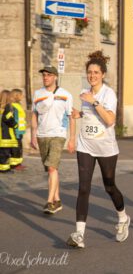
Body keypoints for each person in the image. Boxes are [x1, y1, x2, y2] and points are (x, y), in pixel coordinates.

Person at [66, 51, 130, 249]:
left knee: (109, 185)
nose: (92, 75)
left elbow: (110, 120)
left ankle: (122, 218)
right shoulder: (85, 93)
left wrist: (94, 102)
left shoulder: (108, 93)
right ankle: (79, 234)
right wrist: (78, 115)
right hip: (86, 145)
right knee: (83, 188)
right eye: (89, 72)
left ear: (102, 74)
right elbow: (88, 116)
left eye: (95, 72)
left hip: (106, 148)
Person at [31, 66, 76, 214]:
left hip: (58, 134)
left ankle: (49, 202)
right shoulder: (37, 93)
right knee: (52, 169)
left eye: (49, 75)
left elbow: (71, 117)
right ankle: (57, 200)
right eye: (44, 75)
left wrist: (72, 139)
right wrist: (33, 135)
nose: (45, 78)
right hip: (42, 135)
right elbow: (34, 115)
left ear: (55, 77)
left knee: (51, 167)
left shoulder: (65, 95)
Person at [0, 90, 18, 174]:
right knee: (5, 153)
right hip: (5, 134)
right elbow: (7, 118)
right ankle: (4, 169)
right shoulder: (7, 108)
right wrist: (15, 124)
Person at [10, 89, 27, 170]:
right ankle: (15, 165)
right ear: (16, 96)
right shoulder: (13, 106)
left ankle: (17, 164)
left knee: (19, 148)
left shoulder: (18, 105)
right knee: (16, 148)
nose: (23, 96)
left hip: (20, 131)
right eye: (21, 94)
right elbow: (13, 119)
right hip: (16, 131)